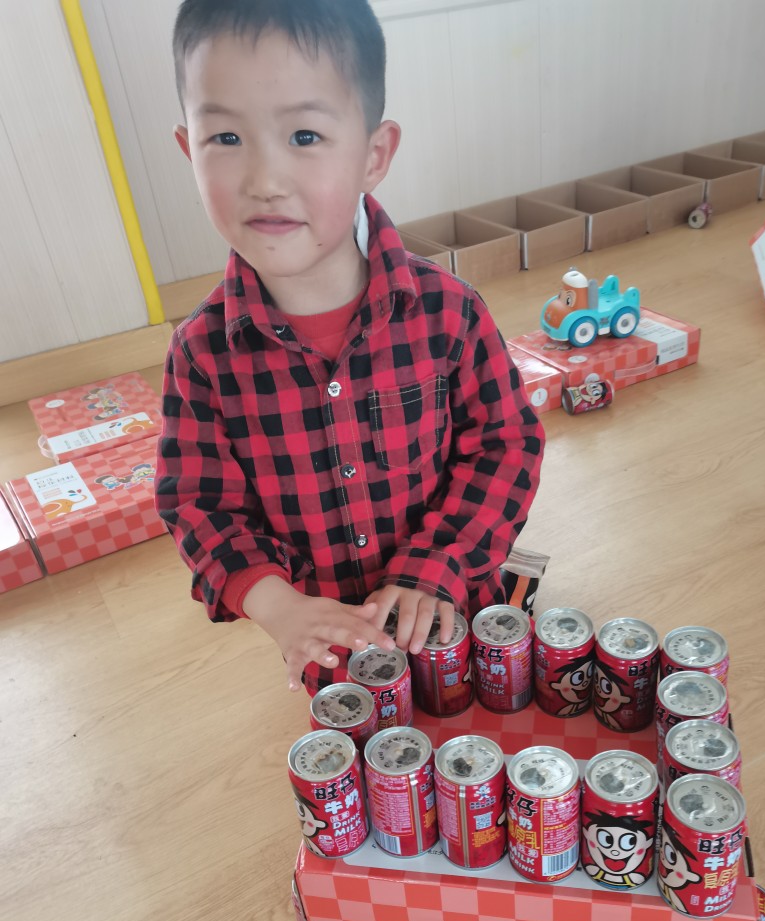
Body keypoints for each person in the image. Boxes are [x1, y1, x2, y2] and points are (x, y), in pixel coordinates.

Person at [156, 0, 545, 695]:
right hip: (330, 649)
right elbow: (199, 505)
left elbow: (506, 445)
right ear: (189, 151)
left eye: (304, 135)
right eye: (226, 138)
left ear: (373, 156)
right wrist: (279, 607)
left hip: (454, 611)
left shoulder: (449, 312)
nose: (263, 180)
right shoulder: (201, 355)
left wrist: (438, 563)